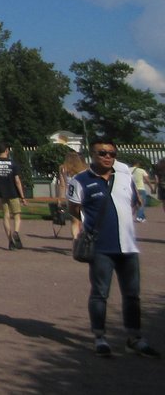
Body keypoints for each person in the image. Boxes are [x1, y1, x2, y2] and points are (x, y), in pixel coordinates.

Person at [67, 138, 160, 357]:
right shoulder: (80, 180)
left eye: (111, 153)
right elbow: (73, 208)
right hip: (101, 247)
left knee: (132, 295)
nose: (108, 157)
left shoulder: (124, 177)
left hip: (128, 247)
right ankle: (100, 337)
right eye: (102, 153)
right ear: (92, 154)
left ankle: (134, 337)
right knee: (100, 293)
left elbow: (133, 202)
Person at [0, 143, 27, 249]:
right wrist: (23, 197)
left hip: (1, 194)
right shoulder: (12, 163)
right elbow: (17, 181)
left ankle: (10, 240)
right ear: (7, 150)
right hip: (13, 193)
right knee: (17, 215)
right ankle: (15, 232)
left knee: (6, 216)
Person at [60, 150, 88, 240]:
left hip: (70, 195)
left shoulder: (63, 169)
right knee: (86, 219)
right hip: (82, 195)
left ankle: (75, 241)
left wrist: (61, 198)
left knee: (74, 221)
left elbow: (62, 184)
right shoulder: (84, 169)